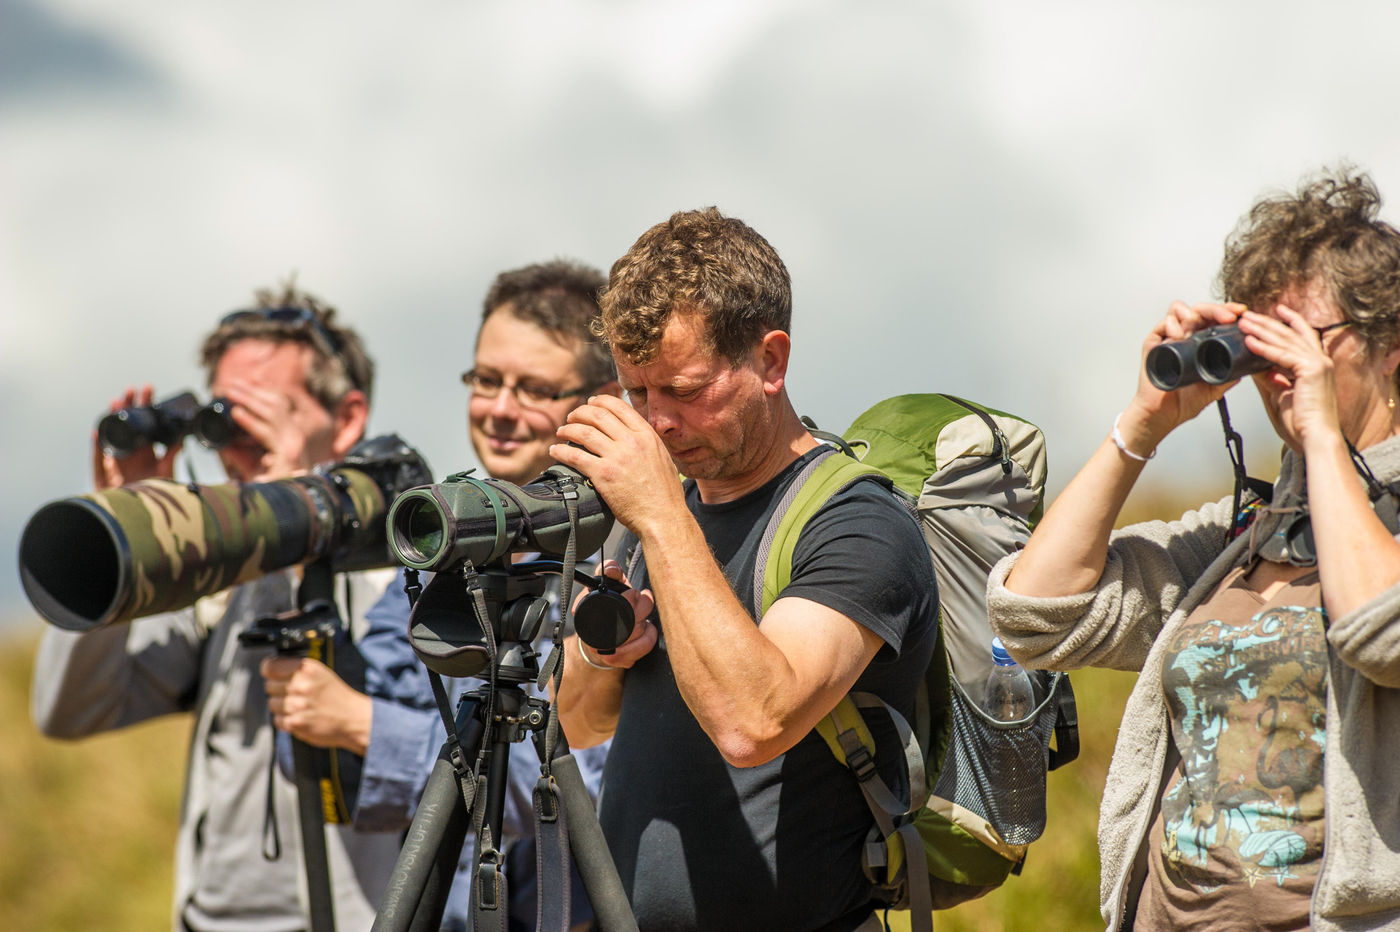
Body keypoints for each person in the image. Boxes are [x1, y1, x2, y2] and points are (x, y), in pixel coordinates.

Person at [987, 168, 1400, 931]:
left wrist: (1321, 438)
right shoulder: (1240, 537)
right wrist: (1141, 428)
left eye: (1302, 339)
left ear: (1387, 348)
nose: (1278, 371)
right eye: (1258, 340)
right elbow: (1034, 615)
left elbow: (1382, 628)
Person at [549, 207, 939, 932]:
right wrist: (603, 656)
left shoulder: (858, 522)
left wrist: (663, 517)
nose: (658, 422)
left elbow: (754, 722)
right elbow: (573, 723)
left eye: (686, 390)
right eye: (639, 394)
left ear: (771, 361)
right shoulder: (653, 514)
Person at [32, 282, 418, 932]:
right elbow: (70, 712)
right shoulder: (220, 592)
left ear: (347, 419)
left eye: (257, 418)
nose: (231, 447)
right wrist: (134, 542)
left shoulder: (404, 582)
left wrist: (294, 514)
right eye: (221, 422)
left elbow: (441, 761)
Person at [261, 259, 621, 931]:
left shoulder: (622, 561)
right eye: (486, 380)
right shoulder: (447, 544)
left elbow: (582, 789)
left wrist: (366, 726)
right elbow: (318, 752)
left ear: (603, 399)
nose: (499, 410)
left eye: (533, 388)